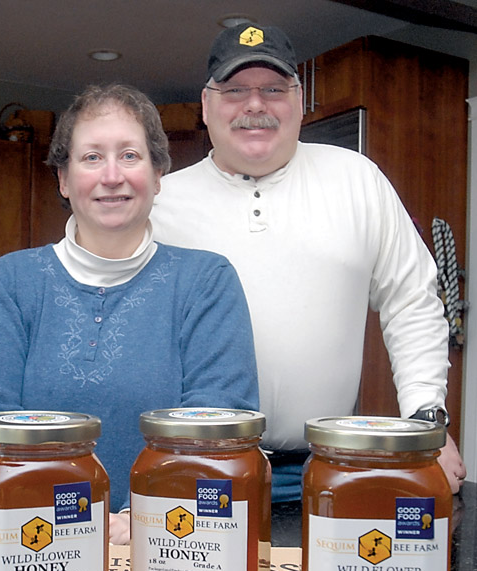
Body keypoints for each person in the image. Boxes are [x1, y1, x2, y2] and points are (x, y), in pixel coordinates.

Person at [151, 23, 466, 498]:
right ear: (206, 105)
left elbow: (413, 303)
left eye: (274, 89)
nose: (255, 105)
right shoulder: (159, 204)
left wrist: (426, 421)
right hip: (197, 470)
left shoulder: (356, 179)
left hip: (331, 469)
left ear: (299, 101)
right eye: (235, 90)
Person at [0, 83, 259, 544]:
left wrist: (144, 517)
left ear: (157, 176)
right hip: (35, 538)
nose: (112, 175)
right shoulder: (10, 282)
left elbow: (218, 416)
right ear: (64, 180)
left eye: (130, 155)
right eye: (91, 157)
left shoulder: (206, 281)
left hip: (179, 537)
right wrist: (66, 516)